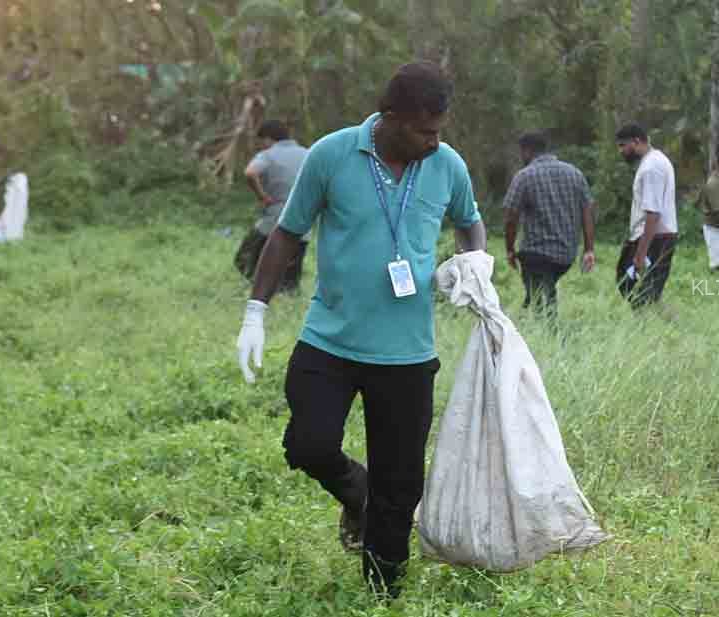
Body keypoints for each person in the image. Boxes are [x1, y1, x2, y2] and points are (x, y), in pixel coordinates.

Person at [235, 61, 487, 598]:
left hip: (407, 354)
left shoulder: (446, 164)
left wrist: (477, 262)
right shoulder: (332, 154)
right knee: (308, 444)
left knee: (402, 486)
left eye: (440, 129)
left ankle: (383, 592)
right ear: (391, 117)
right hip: (330, 340)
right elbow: (286, 234)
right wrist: (254, 312)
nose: (433, 139)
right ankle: (358, 494)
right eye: (424, 129)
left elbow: (469, 219)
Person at [502, 130, 595, 321]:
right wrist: (589, 249)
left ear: (526, 151)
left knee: (541, 300)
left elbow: (511, 216)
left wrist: (510, 249)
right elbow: (587, 211)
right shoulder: (575, 173)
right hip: (566, 255)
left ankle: (547, 331)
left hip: (536, 253)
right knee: (542, 288)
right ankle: (530, 316)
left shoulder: (524, 176)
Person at [235, 120, 310, 293]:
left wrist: (262, 196)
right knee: (291, 271)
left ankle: (259, 289)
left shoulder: (268, 154)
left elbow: (250, 172)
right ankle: (283, 295)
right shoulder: (308, 153)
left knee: (245, 257)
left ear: (268, 139)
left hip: (274, 219)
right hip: (303, 220)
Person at [614, 124, 678, 309]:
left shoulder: (651, 167)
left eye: (622, 146)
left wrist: (641, 254)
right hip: (653, 236)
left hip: (655, 238)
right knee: (638, 290)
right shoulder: (655, 161)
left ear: (636, 141)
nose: (621, 151)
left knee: (643, 294)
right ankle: (663, 329)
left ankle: (664, 331)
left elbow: (653, 212)